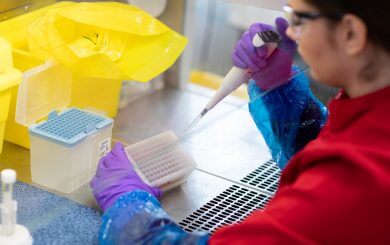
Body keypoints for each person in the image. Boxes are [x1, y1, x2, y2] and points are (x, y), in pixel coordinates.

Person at [91, 0, 390, 243]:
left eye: (299, 19)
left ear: (351, 33)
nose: (292, 34)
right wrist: (279, 88)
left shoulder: (357, 181)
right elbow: (327, 144)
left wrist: (128, 204)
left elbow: (336, 180)